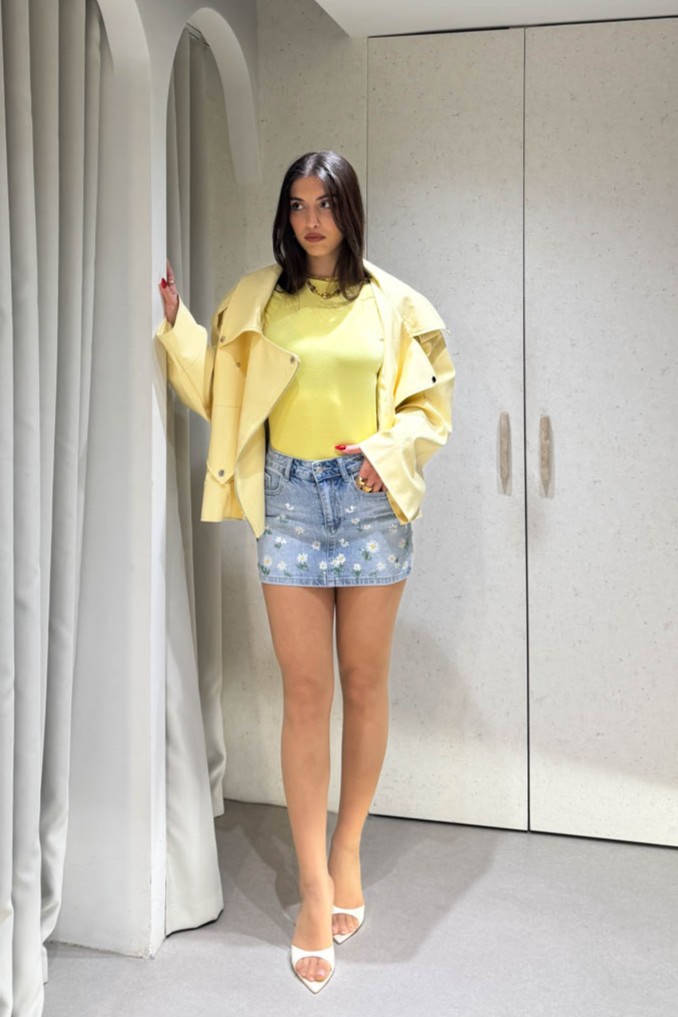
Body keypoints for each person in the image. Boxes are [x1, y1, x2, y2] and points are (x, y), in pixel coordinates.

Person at [156, 150, 455, 993]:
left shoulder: (394, 303)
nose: (311, 219)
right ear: (285, 214)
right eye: (297, 204)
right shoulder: (258, 298)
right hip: (288, 503)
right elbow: (220, 394)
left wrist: (388, 451)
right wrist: (178, 325)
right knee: (306, 693)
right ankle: (314, 888)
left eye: (325, 204)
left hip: (367, 502)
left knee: (363, 682)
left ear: (349, 210)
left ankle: (347, 847)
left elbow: (431, 403)